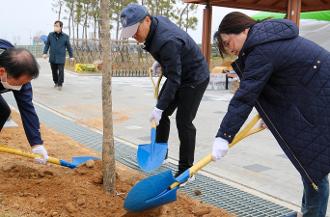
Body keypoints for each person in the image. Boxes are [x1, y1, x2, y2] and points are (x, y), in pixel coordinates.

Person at [212, 12, 330, 217]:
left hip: (322, 97)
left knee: (313, 165)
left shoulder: (262, 50)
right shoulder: (266, 41)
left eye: (228, 41)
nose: (229, 48)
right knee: (310, 163)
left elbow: (245, 96)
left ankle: (312, 214)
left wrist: (224, 136)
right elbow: (285, 80)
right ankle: (308, 212)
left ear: (244, 31)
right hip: (316, 95)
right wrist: (271, 114)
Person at [120, 4, 210, 177]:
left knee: (183, 122)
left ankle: (186, 170)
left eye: (135, 30)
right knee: (161, 115)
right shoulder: (155, 25)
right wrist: (162, 61)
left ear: (146, 20)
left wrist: (159, 107)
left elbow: (175, 78)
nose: (134, 36)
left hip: (194, 78)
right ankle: (161, 153)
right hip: (177, 72)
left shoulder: (167, 40)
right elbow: (173, 59)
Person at [0, 39, 48, 164]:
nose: (22, 87)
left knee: (3, 111)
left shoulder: (18, 69)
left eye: (25, 83)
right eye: (20, 83)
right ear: (2, 72)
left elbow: (27, 109)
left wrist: (36, 144)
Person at [43, 20, 74, 91]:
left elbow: (69, 47)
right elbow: (47, 44)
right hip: (53, 56)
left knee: (61, 70)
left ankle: (60, 84)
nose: (55, 27)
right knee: (54, 71)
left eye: (57, 26)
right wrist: (45, 53)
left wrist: (71, 56)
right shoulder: (50, 35)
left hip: (61, 57)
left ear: (61, 27)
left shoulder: (65, 36)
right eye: (54, 25)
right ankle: (56, 82)